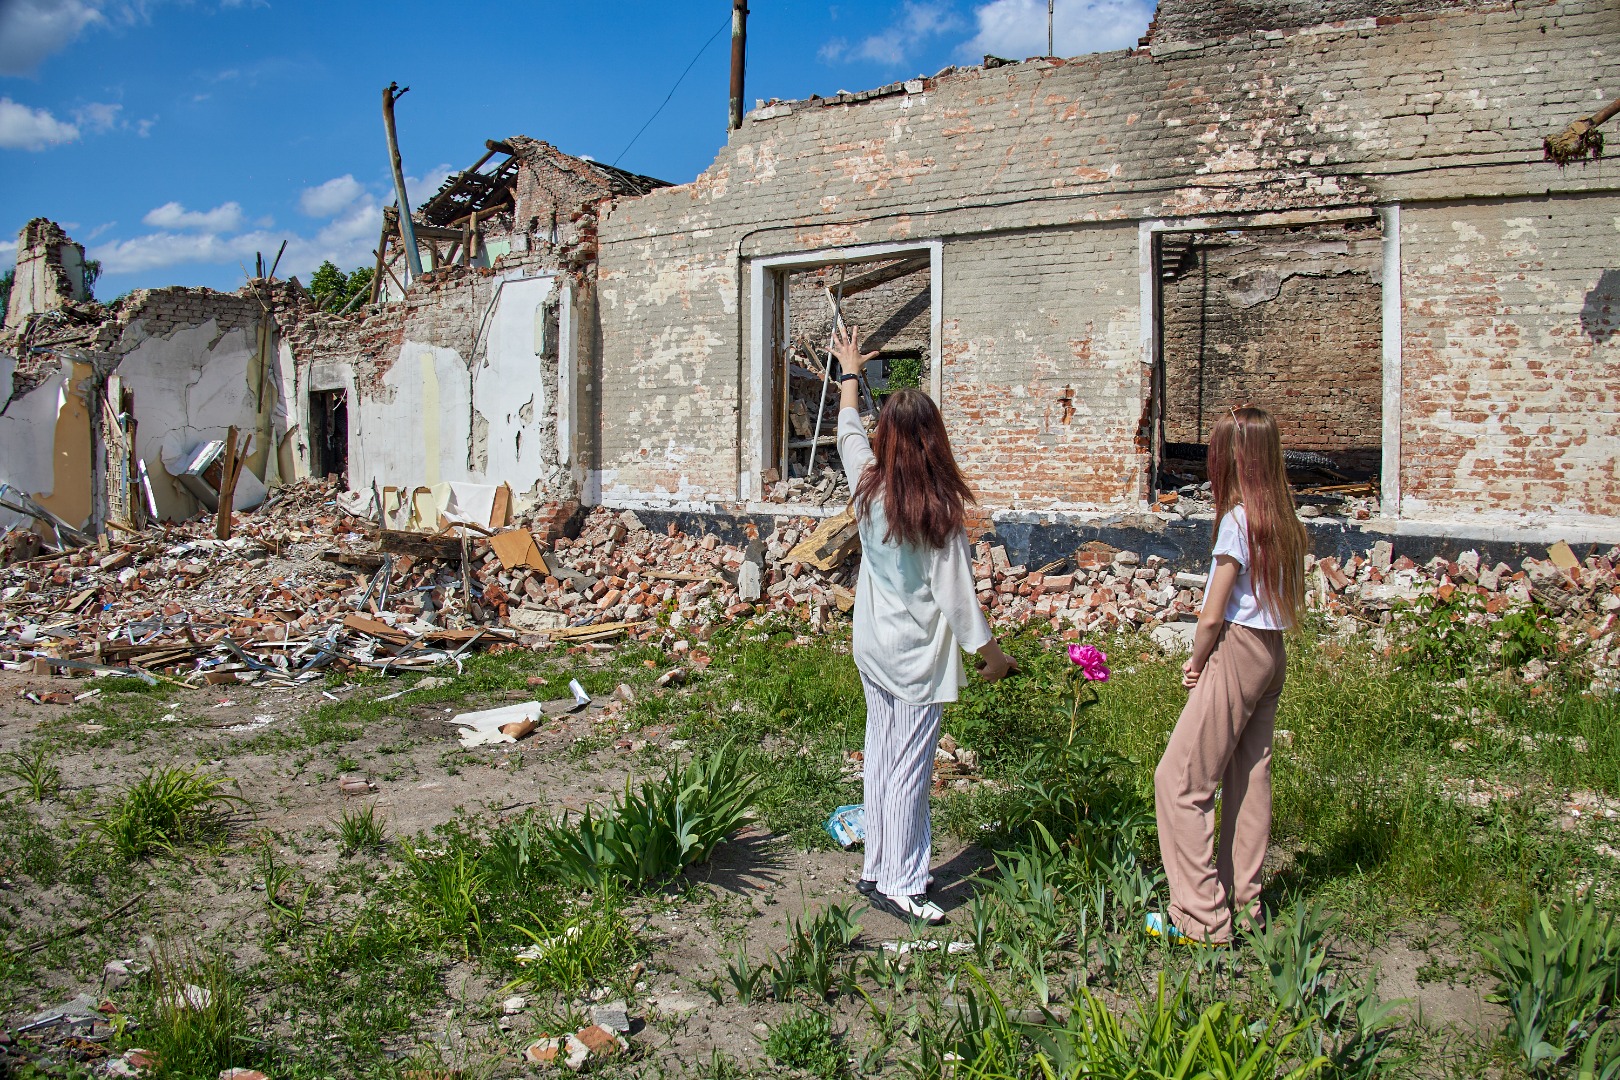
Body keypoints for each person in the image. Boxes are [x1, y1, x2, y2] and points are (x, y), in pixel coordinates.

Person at [830, 324, 1016, 925]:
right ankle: (905, 882)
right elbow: (959, 600)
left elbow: (847, 431)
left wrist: (851, 374)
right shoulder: (935, 512)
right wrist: (993, 659)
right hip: (912, 661)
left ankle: (877, 868)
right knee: (906, 769)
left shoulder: (867, 486)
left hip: (873, 650)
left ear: (888, 440)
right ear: (934, 441)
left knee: (881, 757)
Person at [1149, 406, 1308, 946]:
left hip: (1239, 649)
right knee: (1249, 777)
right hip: (1272, 651)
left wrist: (1196, 661)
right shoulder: (1283, 517)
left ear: (1235, 458)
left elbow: (1213, 612)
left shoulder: (1238, 521)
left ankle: (1200, 918)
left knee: (1179, 781)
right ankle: (1246, 904)